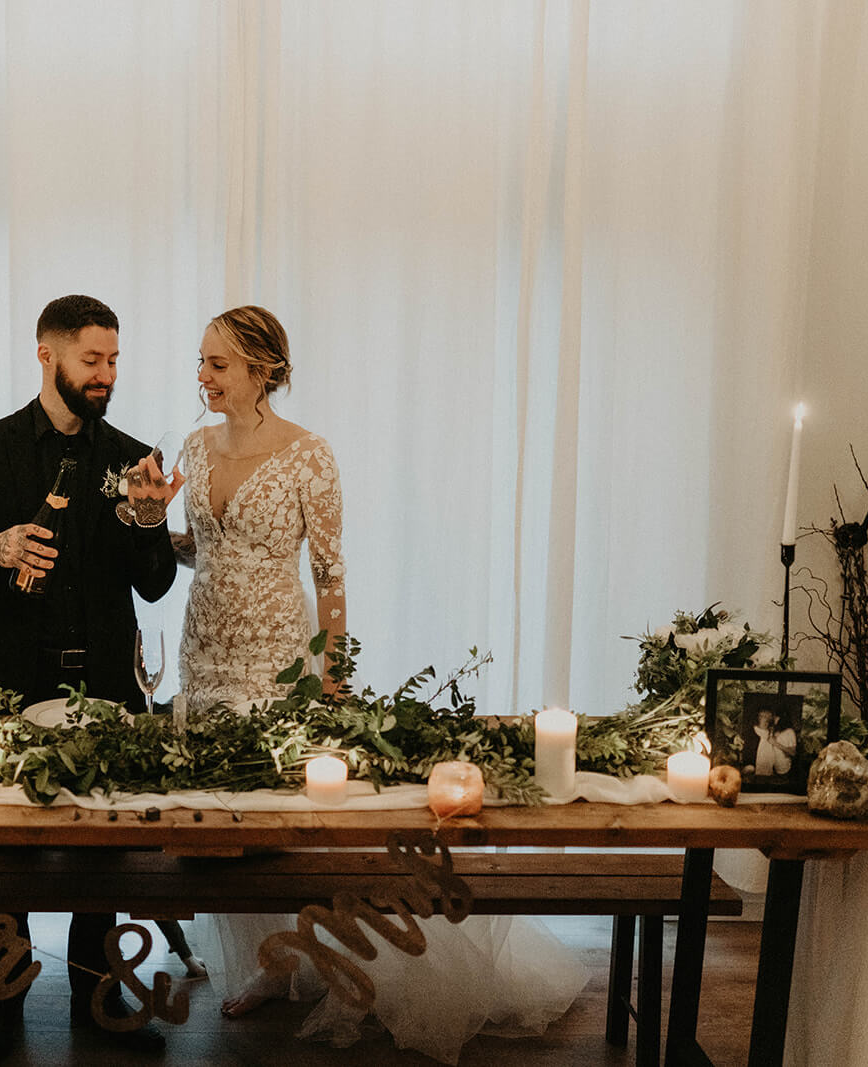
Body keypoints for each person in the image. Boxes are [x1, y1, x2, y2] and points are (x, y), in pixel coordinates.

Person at [175, 306, 586, 1063]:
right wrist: (147, 522)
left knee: (282, 812)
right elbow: (196, 549)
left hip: (275, 652)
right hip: (203, 647)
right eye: (200, 361)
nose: (201, 375)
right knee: (223, 814)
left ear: (263, 370)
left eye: (217, 364)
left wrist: (332, 672)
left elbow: (330, 573)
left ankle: (337, 963)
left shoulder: (309, 456)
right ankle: (271, 963)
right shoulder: (193, 449)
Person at [0, 294, 182, 1064]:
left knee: (104, 849)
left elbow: (156, 585)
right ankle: (6, 996)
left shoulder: (131, 459)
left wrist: (151, 520)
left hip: (105, 683)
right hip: (2, 682)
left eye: (115, 360)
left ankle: (102, 994)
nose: (107, 374)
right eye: (92, 359)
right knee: (8, 852)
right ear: (46, 354)